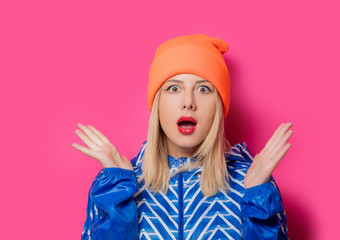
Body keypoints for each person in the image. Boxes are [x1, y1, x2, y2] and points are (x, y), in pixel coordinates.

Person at [72, 34, 293, 240]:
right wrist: (116, 193)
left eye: (204, 89)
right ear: (157, 105)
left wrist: (257, 196)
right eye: (174, 88)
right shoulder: (118, 185)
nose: (188, 101)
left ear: (219, 105)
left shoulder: (250, 182)